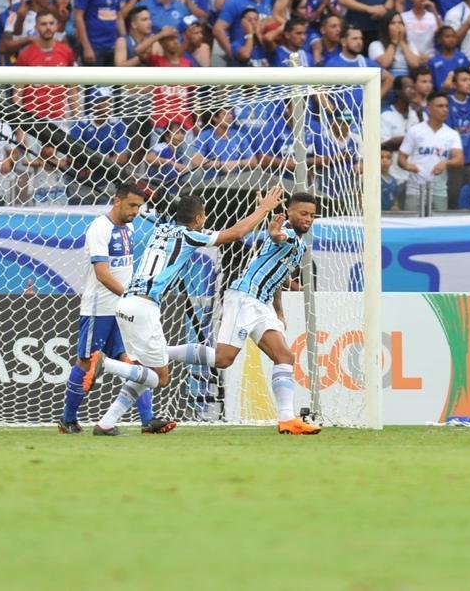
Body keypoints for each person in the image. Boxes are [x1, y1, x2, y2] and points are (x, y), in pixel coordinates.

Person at [84, 187, 285, 435]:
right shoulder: (190, 236)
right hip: (143, 307)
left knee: (144, 371)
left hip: (125, 303)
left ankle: (106, 423)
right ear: (199, 219)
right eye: (204, 218)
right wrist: (264, 209)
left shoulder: (161, 229)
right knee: (160, 378)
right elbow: (237, 233)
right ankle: (107, 365)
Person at [169, 191, 323, 434]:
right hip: (243, 298)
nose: (308, 219)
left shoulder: (301, 246)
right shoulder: (286, 234)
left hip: (261, 304)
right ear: (289, 213)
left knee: (284, 357)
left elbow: (278, 278)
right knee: (223, 359)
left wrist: (279, 311)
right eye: (303, 213)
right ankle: (159, 353)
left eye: (312, 215)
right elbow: (277, 237)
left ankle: (287, 419)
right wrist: (275, 232)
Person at [58, 183, 173, 434]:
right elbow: (102, 274)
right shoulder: (100, 228)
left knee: (134, 361)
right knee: (86, 363)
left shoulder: (129, 228)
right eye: (132, 205)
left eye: (139, 207)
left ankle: (147, 420)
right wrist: (131, 296)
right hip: (99, 308)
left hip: (123, 309)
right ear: (117, 201)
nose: (135, 211)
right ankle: (67, 420)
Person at [398, 92, 464, 212]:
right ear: (429, 108)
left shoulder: (452, 134)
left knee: (439, 228)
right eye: (440, 106)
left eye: (446, 106)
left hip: (439, 190)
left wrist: (445, 163)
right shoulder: (415, 131)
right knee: (413, 226)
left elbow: (459, 159)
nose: (445, 109)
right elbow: (401, 158)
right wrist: (408, 166)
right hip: (415, 189)